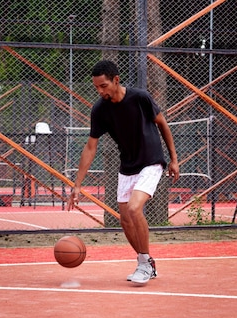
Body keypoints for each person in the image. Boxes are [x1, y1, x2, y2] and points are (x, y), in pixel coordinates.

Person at [67, 60, 179, 284]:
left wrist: (174, 160)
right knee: (125, 219)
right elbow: (91, 147)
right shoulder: (100, 110)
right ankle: (146, 262)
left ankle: (144, 264)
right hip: (127, 166)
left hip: (151, 161)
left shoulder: (139, 98)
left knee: (135, 208)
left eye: (103, 86)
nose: (100, 91)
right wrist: (77, 185)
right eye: (96, 87)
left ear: (116, 80)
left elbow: (162, 124)